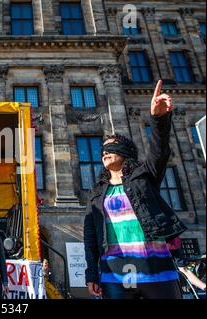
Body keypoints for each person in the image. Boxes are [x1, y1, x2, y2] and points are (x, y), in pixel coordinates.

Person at [83, 80, 187, 299]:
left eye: (111, 148)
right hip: (115, 275)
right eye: (103, 150)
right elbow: (91, 237)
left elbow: (159, 152)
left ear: (125, 153)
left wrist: (158, 119)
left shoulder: (143, 176)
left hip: (155, 269)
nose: (104, 153)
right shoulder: (96, 193)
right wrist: (92, 274)